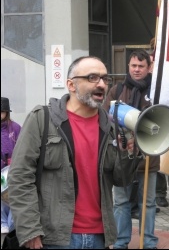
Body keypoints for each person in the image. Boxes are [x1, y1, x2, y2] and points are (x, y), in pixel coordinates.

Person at [7, 56, 137, 249]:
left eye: (105, 78)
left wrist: (130, 154)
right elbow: (19, 177)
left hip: (100, 237)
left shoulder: (110, 128)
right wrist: (30, 230)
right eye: (92, 77)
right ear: (71, 85)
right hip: (54, 238)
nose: (101, 84)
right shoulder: (43, 119)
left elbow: (121, 180)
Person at [103, 49, 159, 249]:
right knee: (120, 202)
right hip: (122, 156)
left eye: (141, 66)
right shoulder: (117, 91)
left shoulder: (157, 91)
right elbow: (104, 118)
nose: (137, 70)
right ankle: (120, 241)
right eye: (133, 66)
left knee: (149, 202)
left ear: (149, 67)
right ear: (128, 66)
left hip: (148, 157)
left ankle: (148, 241)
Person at [1, 97, 21, 234]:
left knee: (14, 197)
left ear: (6, 112)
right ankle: (2, 223)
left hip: (12, 170)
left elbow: (23, 146)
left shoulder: (15, 128)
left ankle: (12, 226)